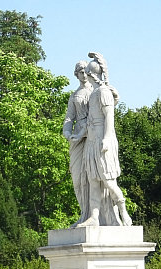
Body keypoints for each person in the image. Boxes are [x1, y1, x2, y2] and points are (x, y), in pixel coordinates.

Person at [77, 52, 132, 227]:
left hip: (102, 140)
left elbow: (110, 116)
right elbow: (91, 120)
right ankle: (93, 217)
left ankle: (123, 209)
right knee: (93, 180)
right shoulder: (94, 94)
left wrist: (107, 139)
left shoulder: (103, 92)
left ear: (91, 74)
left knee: (108, 181)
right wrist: (79, 136)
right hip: (92, 141)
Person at [62, 61, 92, 227]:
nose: (84, 74)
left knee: (92, 176)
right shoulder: (74, 95)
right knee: (77, 178)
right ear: (76, 74)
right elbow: (69, 117)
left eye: (86, 71)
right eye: (81, 72)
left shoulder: (95, 91)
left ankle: (94, 215)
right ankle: (84, 214)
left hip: (92, 134)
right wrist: (67, 132)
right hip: (77, 136)